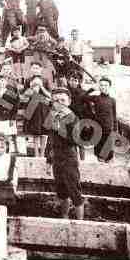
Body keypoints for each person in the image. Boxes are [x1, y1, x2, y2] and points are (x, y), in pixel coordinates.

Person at [45, 88, 84, 219]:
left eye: (63, 100)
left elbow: (77, 140)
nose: (59, 103)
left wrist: (60, 129)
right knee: (62, 192)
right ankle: (64, 216)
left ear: (69, 101)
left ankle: (81, 222)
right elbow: (50, 140)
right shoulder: (52, 116)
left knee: (74, 191)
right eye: (56, 100)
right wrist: (48, 160)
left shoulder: (73, 118)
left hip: (69, 158)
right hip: (57, 158)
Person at [86, 76, 117, 162]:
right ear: (99, 87)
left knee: (109, 150)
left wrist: (115, 130)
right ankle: (100, 161)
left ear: (109, 87)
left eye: (106, 85)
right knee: (99, 149)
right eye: (101, 85)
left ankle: (108, 161)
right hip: (98, 127)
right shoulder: (96, 98)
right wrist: (92, 89)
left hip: (109, 127)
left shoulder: (112, 100)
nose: (103, 87)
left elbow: (114, 116)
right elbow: (82, 98)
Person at [22, 75, 51, 157]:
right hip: (33, 111)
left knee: (44, 134)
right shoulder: (30, 88)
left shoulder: (44, 88)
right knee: (36, 133)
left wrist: (41, 87)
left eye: (38, 82)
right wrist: (32, 87)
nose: (37, 84)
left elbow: (50, 96)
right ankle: (36, 154)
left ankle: (42, 153)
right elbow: (25, 96)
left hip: (44, 111)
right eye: (35, 83)